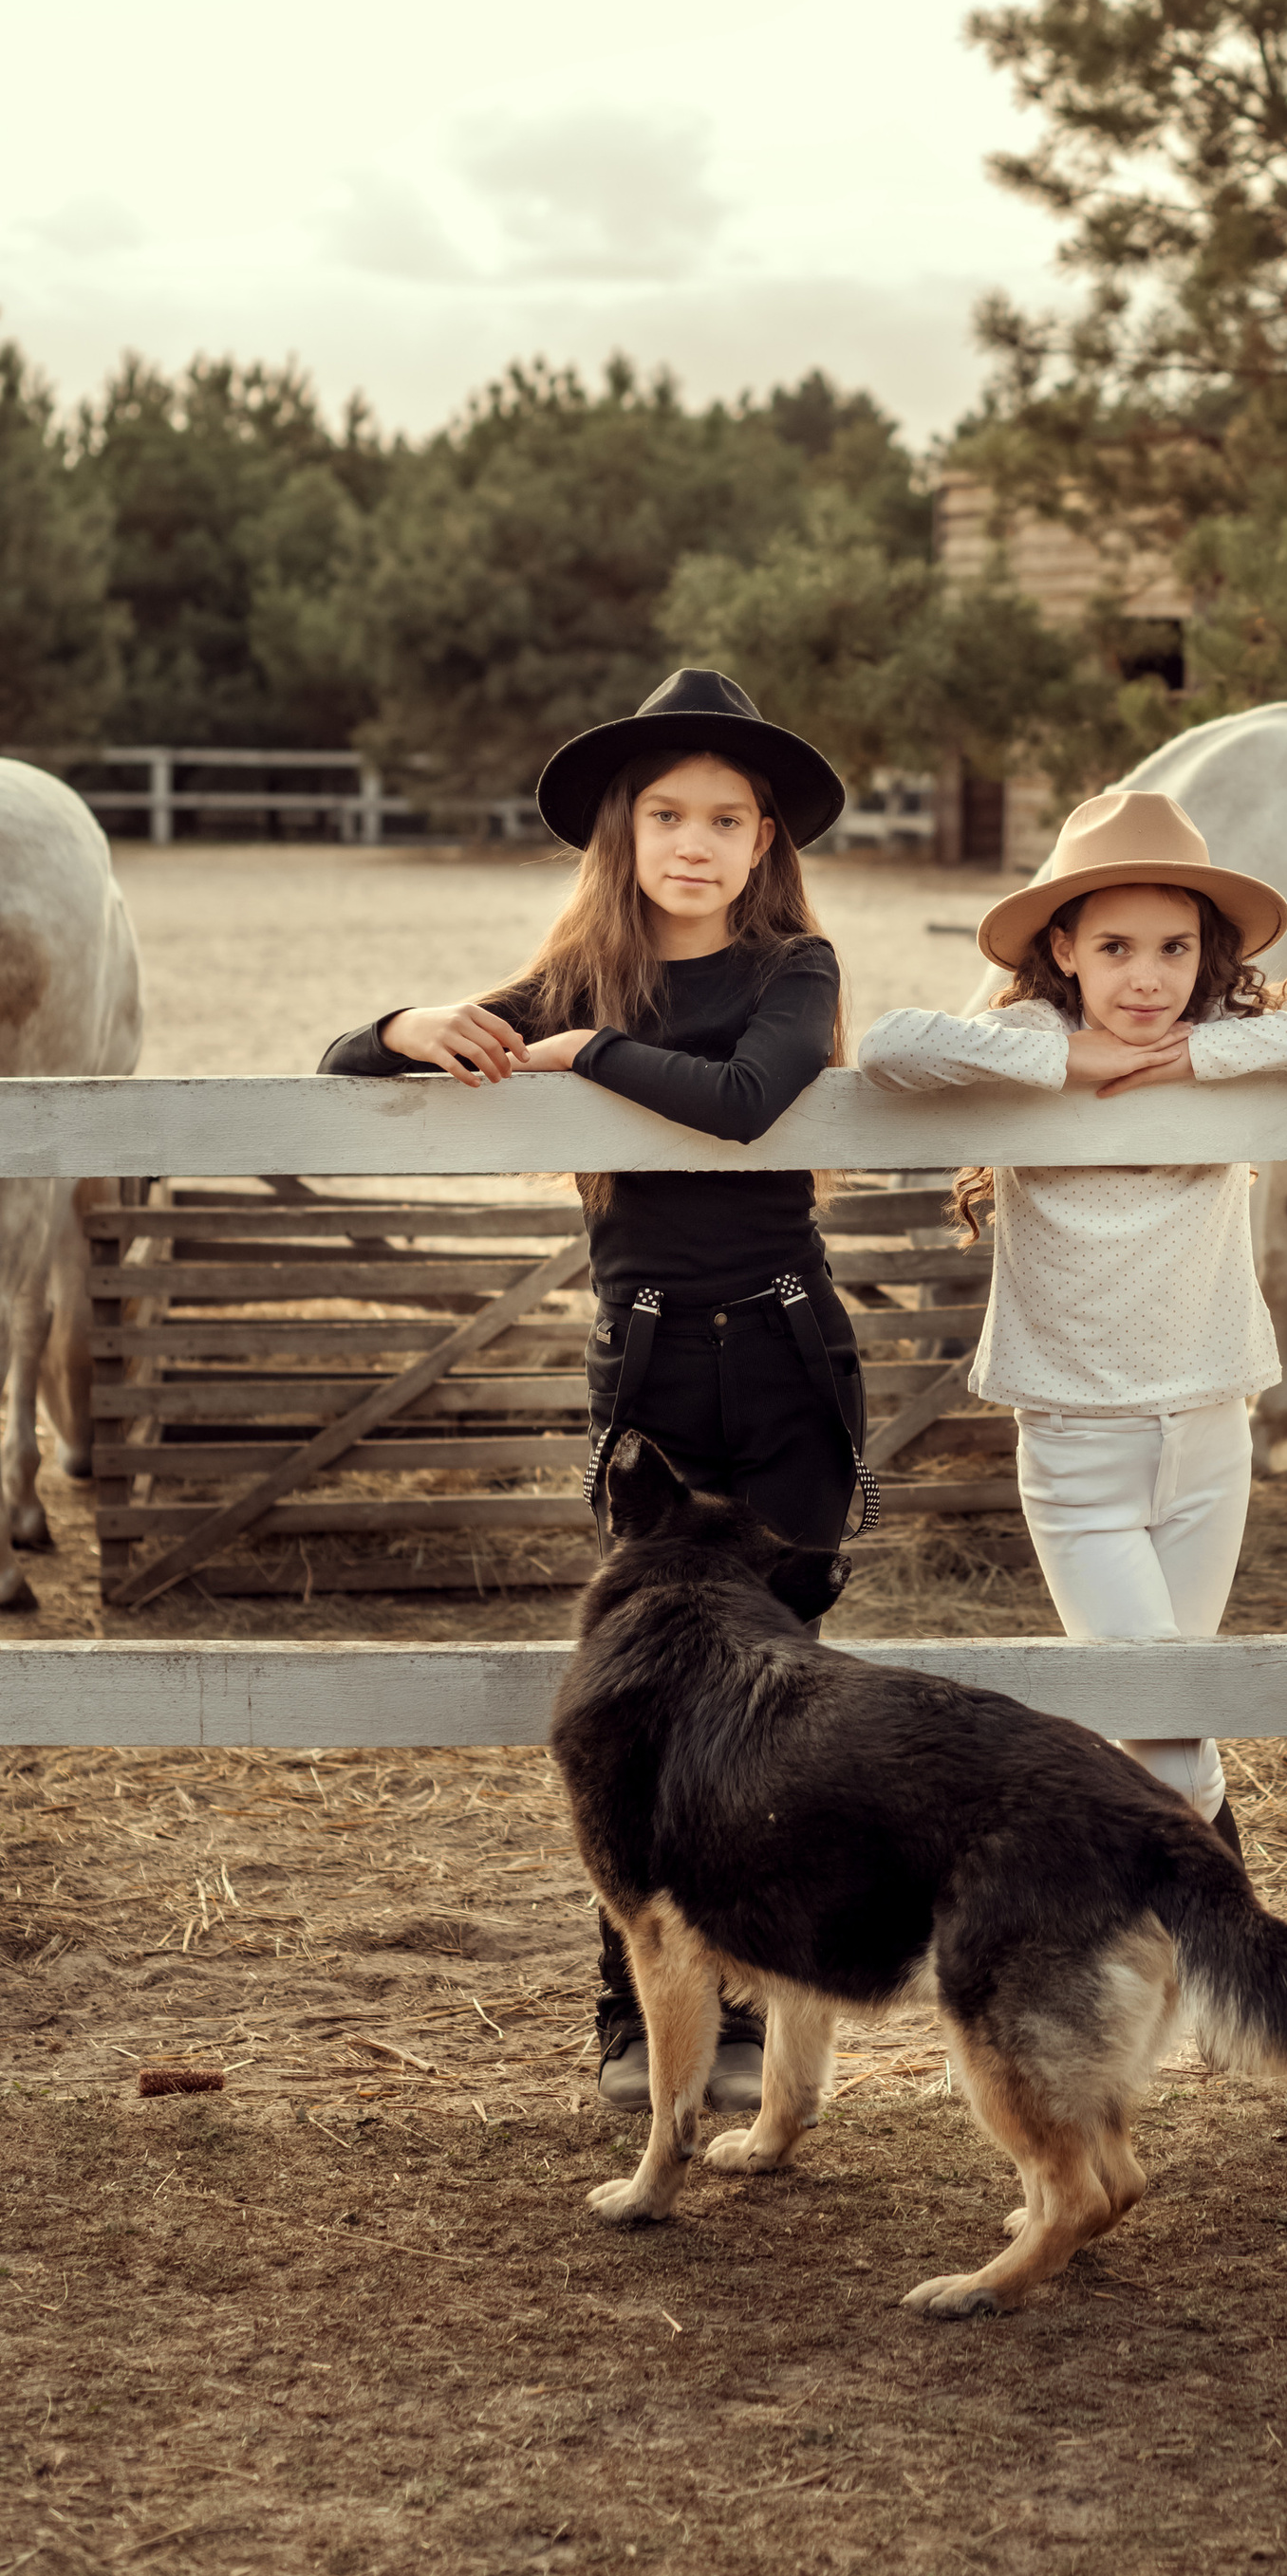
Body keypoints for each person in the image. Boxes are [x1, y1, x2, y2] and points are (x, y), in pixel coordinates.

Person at [317, 667, 867, 2116]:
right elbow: (336, 1063)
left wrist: (590, 1060)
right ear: (622, 833)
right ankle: (635, 2018)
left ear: (766, 844)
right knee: (645, 1693)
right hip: (650, 1367)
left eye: (726, 818)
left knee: (778, 1694)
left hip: (789, 1365)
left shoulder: (791, 969)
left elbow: (751, 1100)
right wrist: (407, 1022)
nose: (694, 841)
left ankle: (746, 2016)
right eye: (666, 813)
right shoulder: (574, 979)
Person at [855, 788, 1287, 1847]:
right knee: (1163, 1730)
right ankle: (1234, 1931)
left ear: (1206, 953)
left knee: (1163, 1715)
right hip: (1078, 1443)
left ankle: (1168, 1960)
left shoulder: (1229, 1039)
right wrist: (1072, 1061)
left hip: (1212, 1427)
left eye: (1174, 946)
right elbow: (891, 1047)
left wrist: (1198, 1057)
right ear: (1062, 948)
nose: (1147, 977)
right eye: (1114, 946)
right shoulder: (1025, 1038)